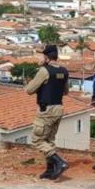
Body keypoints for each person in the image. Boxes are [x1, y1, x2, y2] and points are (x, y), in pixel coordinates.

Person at [25, 44, 69, 180]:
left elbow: (29, 90)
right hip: (58, 108)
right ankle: (50, 170)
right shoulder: (64, 71)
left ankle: (59, 163)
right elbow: (66, 91)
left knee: (37, 140)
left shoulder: (44, 71)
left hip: (46, 109)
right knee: (49, 140)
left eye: (42, 56)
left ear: (46, 57)